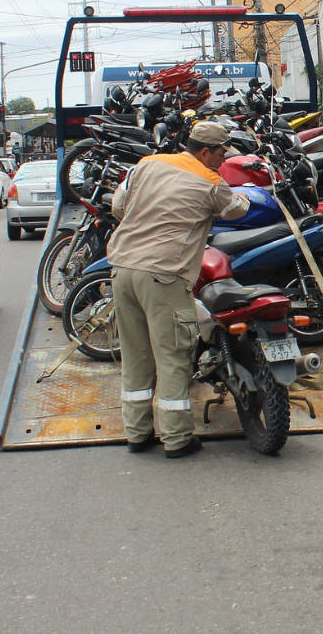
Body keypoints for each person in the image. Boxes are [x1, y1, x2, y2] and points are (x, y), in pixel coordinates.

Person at [107, 120, 249, 459]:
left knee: (137, 355)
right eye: (219, 154)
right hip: (164, 275)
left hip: (123, 269)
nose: (222, 160)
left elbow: (118, 206)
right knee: (172, 356)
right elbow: (236, 210)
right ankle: (177, 439)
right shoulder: (211, 181)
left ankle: (138, 434)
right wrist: (243, 193)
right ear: (203, 151)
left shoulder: (148, 163)